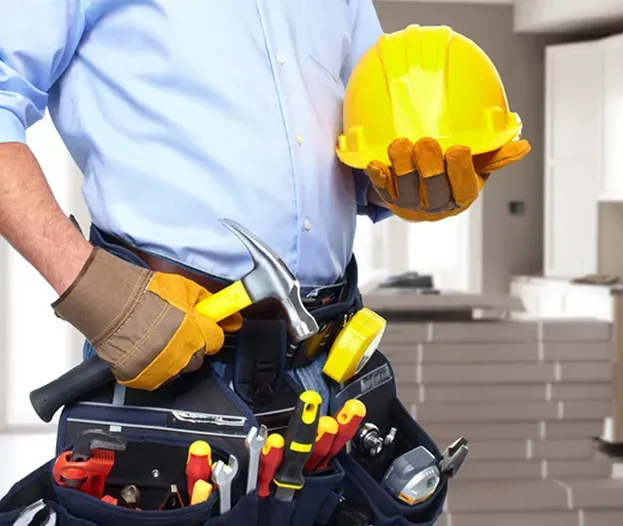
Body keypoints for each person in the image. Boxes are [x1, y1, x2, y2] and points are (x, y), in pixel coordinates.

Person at [0, 1, 528, 523]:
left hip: (332, 360)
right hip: (171, 353)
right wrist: (93, 289)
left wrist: (407, 182)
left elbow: (361, 144)